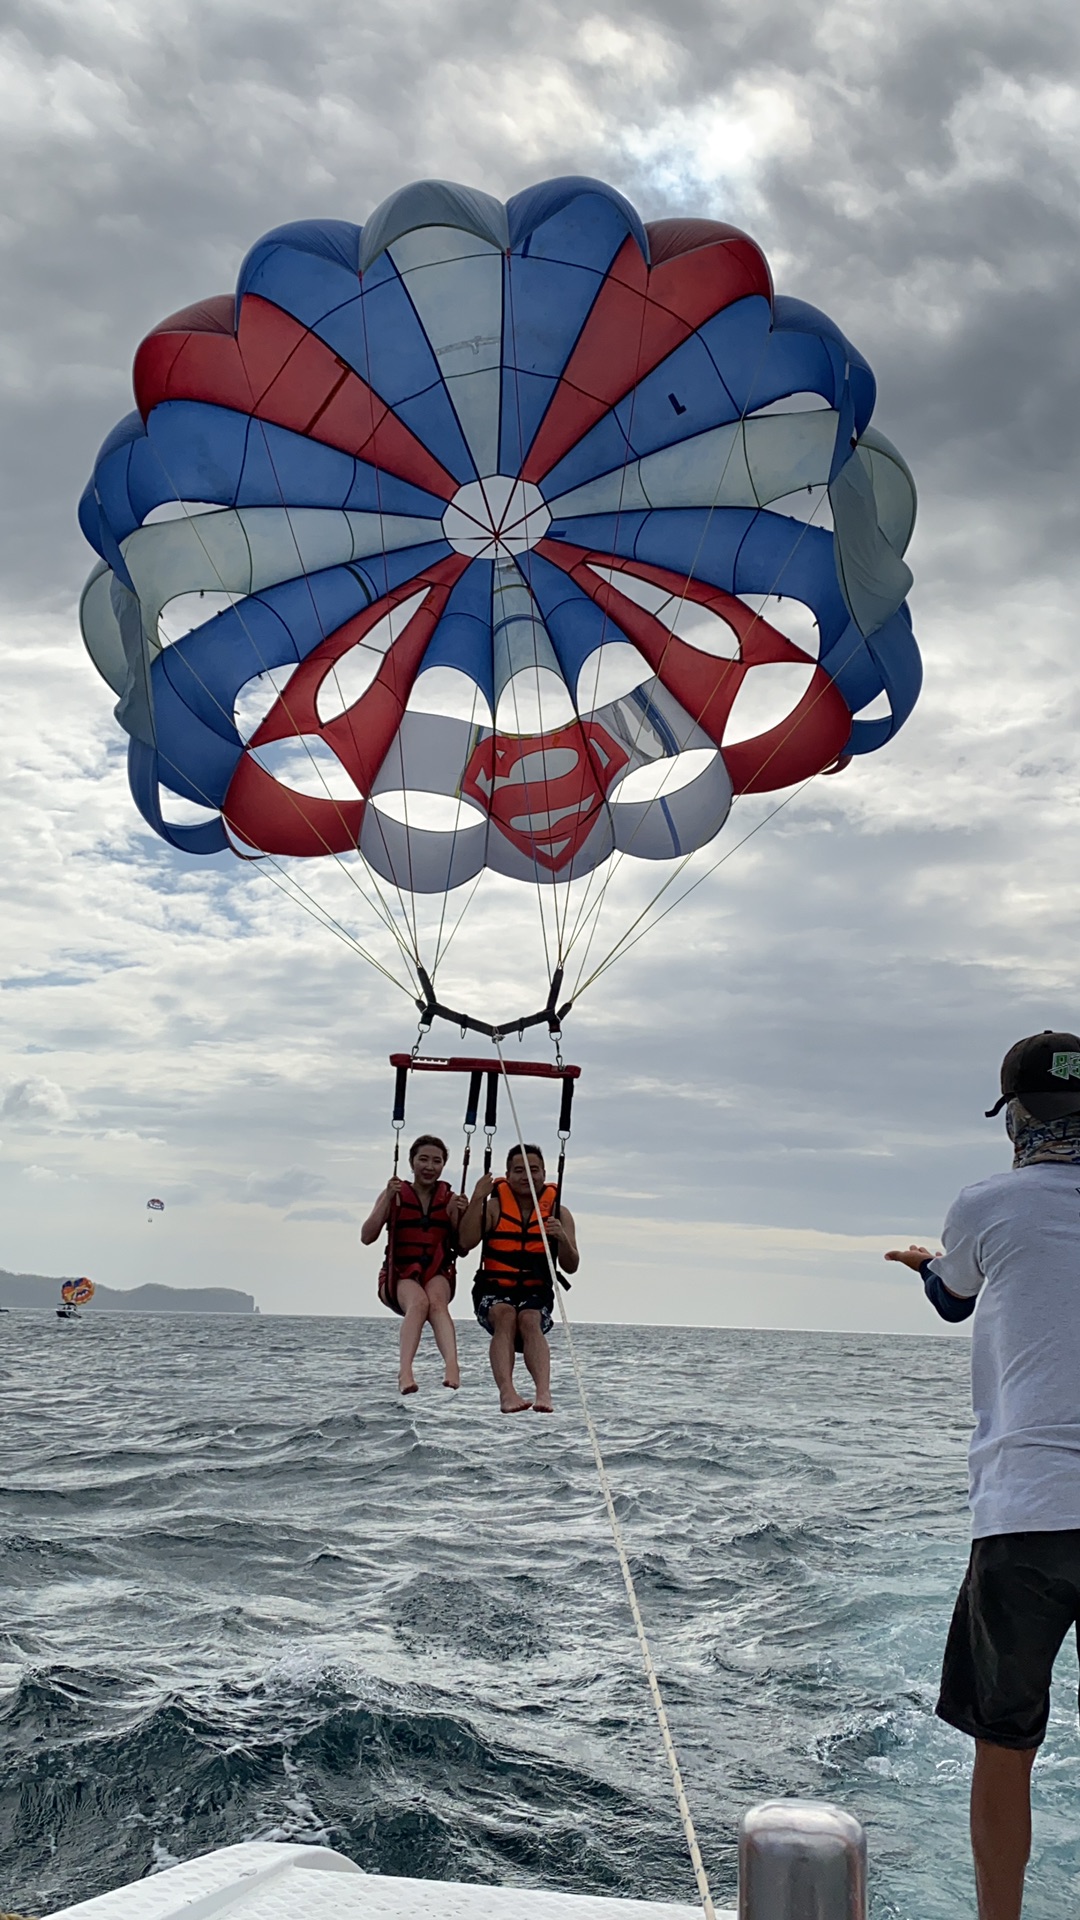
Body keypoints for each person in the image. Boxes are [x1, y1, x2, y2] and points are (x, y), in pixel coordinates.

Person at [885, 1030, 1080, 1920]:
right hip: (1029, 1508)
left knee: (1006, 1746)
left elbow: (954, 1299)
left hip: (1025, 1512)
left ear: (1017, 1119)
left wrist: (929, 1264)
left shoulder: (987, 1203)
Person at [457, 1142, 579, 1414]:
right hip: (494, 1288)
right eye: (519, 1171)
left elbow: (571, 1266)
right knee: (505, 1315)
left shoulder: (559, 1213)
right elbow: (464, 1243)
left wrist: (562, 1238)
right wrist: (477, 1198)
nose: (527, 1176)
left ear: (544, 1173)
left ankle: (543, 1393)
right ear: (508, 1175)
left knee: (529, 1318)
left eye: (533, 1170)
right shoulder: (493, 1207)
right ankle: (507, 1393)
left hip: (536, 1291)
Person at [361, 1134, 465, 1396]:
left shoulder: (450, 1199)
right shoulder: (394, 1195)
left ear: (443, 1165)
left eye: (436, 1161)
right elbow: (366, 1236)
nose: (429, 1166)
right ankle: (405, 1371)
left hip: (437, 1270)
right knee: (419, 1304)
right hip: (398, 1275)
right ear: (411, 1162)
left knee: (436, 1303)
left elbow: (462, 1246)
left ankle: (452, 1365)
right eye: (424, 1159)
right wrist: (387, 1198)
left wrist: (459, 1215)